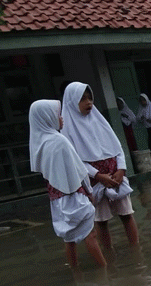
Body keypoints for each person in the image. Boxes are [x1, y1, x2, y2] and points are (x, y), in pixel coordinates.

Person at [29, 99, 107, 268]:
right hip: (75, 195)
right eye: (57, 114)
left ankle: (75, 272)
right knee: (90, 234)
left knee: (69, 238)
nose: (61, 117)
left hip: (57, 199)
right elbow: (78, 170)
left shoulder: (39, 144)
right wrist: (89, 192)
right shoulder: (59, 141)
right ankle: (105, 270)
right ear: (47, 117)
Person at [62, 82, 139, 251]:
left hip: (116, 176)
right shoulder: (67, 130)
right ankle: (109, 253)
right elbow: (75, 160)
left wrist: (121, 170)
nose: (88, 102)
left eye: (90, 98)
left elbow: (117, 148)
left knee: (127, 214)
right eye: (82, 99)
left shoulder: (99, 121)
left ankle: (136, 250)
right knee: (101, 221)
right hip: (95, 182)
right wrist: (98, 176)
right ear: (71, 102)